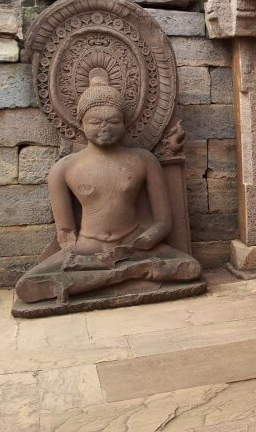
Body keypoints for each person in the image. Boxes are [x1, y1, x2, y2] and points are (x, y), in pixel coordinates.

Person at [15, 68, 200, 303]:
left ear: (125, 124)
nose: (105, 127)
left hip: (135, 246)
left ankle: (104, 279)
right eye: (95, 121)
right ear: (81, 124)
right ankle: (130, 274)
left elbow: (163, 222)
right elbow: (65, 231)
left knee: (191, 267)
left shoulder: (143, 160)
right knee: (27, 286)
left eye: (113, 121)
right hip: (87, 251)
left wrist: (150, 237)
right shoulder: (63, 169)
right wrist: (72, 251)